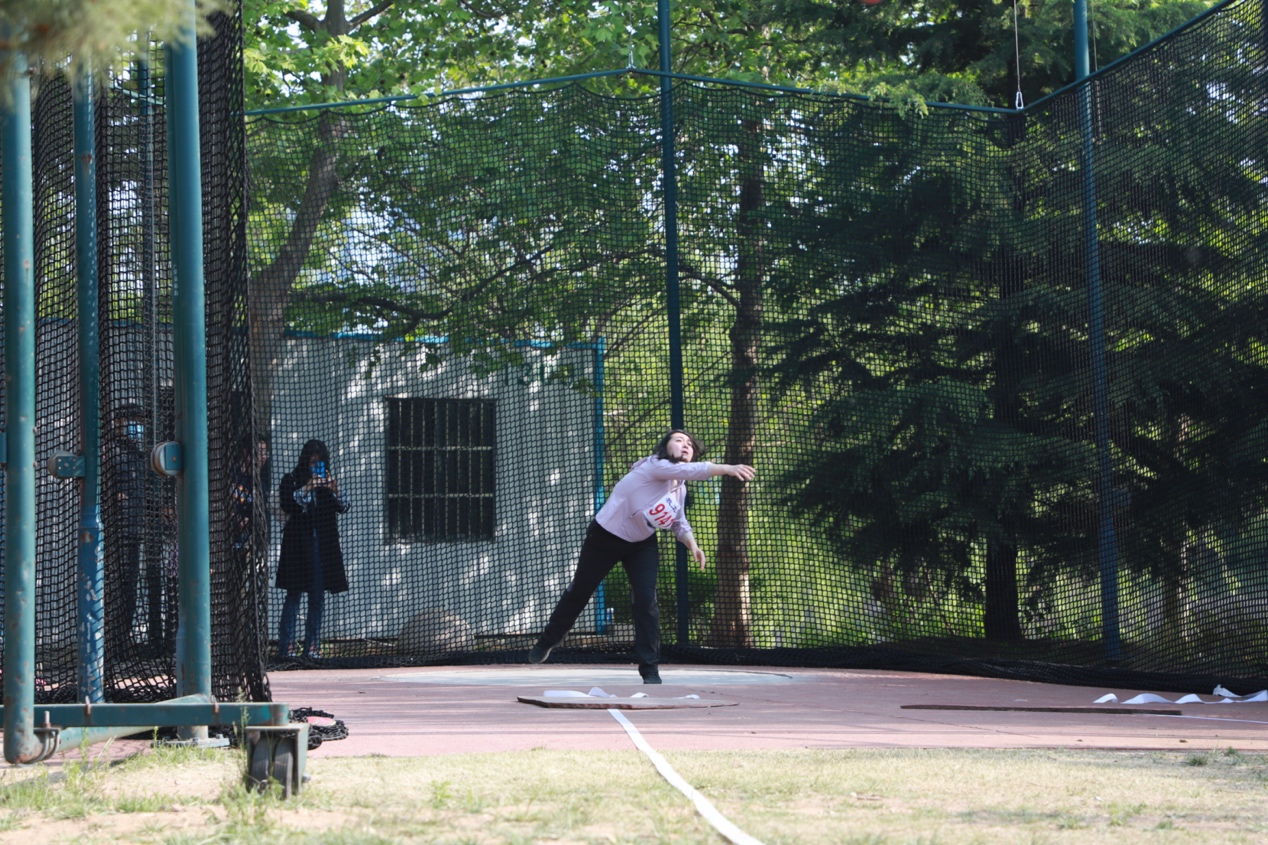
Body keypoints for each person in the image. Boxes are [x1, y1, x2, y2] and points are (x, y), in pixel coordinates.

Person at [528, 429, 755, 683]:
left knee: (646, 602)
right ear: (665, 447)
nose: (685, 445)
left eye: (690, 444)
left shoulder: (679, 489)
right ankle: (548, 641)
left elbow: (678, 522)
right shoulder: (654, 466)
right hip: (606, 536)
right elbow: (695, 470)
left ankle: (650, 670)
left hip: (641, 543)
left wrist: (693, 545)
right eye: (679, 440)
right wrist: (727, 468)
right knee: (580, 591)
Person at [275, 439, 350, 660]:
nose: (315, 466)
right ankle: (287, 646)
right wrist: (309, 485)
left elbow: (344, 506)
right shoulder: (290, 480)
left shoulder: (327, 487)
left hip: (322, 547)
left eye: (319, 462)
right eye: (311, 462)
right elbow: (288, 504)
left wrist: (335, 489)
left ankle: (312, 647)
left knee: (317, 597)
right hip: (298, 546)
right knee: (294, 595)